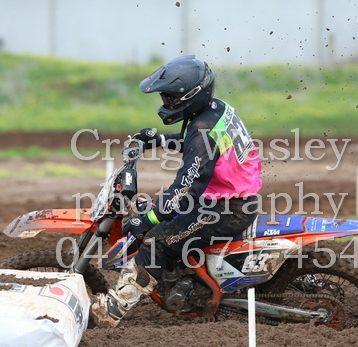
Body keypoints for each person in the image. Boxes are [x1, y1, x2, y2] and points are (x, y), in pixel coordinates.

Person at [90, 55, 263, 328]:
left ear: (191, 96)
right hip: (229, 198)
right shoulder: (216, 109)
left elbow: (186, 190)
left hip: (226, 208)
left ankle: (111, 311)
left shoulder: (204, 129)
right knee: (162, 214)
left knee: (155, 241)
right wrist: (158, 140)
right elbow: (192, 141)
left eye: (170, 98)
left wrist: (148, 219)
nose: (165, 104)